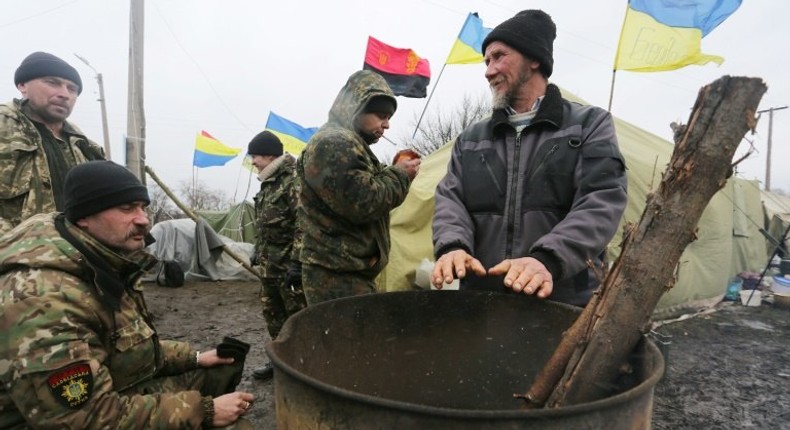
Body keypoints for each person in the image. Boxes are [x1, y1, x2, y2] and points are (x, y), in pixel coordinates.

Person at [0, 161, 254, 429]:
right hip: (66, 420)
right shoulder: (44, 299)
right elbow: (82, 418)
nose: (143, 219)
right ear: (84, 217)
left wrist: (195, 356)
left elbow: (125, 346)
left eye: (143, 207)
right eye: (126, 208)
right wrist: (204, 411)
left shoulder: (99, 262)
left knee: (218, 368)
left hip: (107, 394)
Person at [431, 10, 628, 306]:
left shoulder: (589, 124)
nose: (488, 70)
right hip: (482, 303)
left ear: (534, 59)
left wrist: (546, 259)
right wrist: (453, 245)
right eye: (486, 61)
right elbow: (450, 199)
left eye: (499, 57)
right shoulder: (471, 139)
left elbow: (601, 199)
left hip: (561, 299)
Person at [297, 70, 421, 305]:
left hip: (345, 271)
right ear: (357, 108)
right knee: (348, 340)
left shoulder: (348, 142)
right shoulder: (334, 143)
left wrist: (390, 172)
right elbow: (364, 202)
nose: (386, 125)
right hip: (336, 275)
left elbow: (357, 185)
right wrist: (400, 176)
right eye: (381, 115)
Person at [0, 51, 105, 235]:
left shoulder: (87, 148)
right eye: (52, 82)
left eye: (72, 89)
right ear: (23, 85)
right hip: (13, 258)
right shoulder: (4, 129)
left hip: (80, 258)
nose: (64, 94)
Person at [247, 130, 306, 380]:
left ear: (269, 155)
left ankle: (303, 365)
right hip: (269, 268)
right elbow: (265, 223)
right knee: (272, 315)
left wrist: (296, 262)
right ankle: (280, 361)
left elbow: (303, 223)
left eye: (255, 157)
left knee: (297, 318)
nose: (252, 162)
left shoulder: (292, 180)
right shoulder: (268, 184)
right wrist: (256, 250)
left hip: (287, 269)